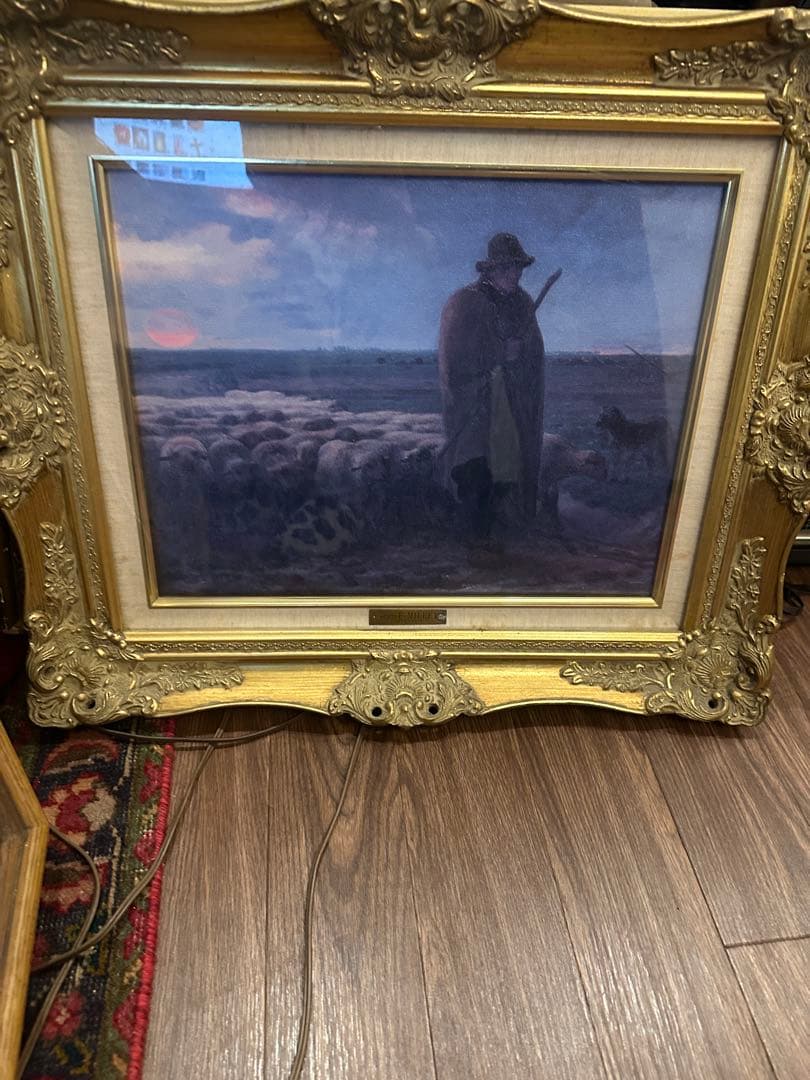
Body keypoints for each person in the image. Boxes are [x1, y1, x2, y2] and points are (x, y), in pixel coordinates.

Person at [437, 232, 547, 545]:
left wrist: (520, 356)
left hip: (511, 407)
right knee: (475, 469)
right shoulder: (465, 303)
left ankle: (502, 534)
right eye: (507, 268)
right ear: (491, 269)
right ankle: (474, 540)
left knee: (509, 467)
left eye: (518, 268)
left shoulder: (522, 303)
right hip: (476, 406)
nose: (515, 275)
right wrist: (500, 353)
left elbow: (533, 354)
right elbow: (455, 358)